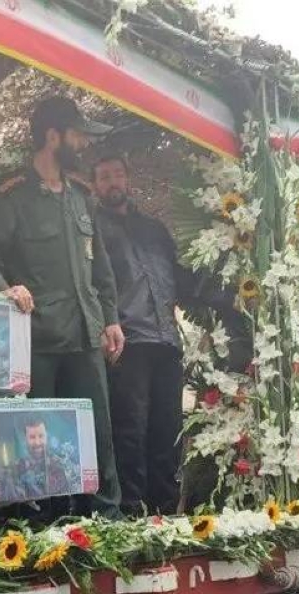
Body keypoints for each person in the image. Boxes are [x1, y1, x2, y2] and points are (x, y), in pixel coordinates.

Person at [0, 96, 123, 519]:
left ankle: (106, 521)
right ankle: (45, 526)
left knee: (97, 435)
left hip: (86, 334)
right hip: (38, 338)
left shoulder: (82, 197)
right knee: (39, 439)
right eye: (78, 135)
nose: (84, 144)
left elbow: (100, 267)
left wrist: (110, 318)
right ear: (53, 137)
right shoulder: (13, 198)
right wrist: (5, 288)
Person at [91, 154, 189, 515]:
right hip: (126, 341)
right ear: (95, 185)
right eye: (104, 176)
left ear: (128, 179)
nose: (112, 182)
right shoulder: (92, 228)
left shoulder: (154, 229)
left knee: (168, 427)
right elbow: (93, 283)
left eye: (118, 174)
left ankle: (166, 510)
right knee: (130, 428)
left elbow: (180, 278)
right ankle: (132, 510)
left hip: (167, 340)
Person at [0, 417, 80, 502]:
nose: (37, 442)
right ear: (25, 439)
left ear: (46, 436)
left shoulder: (62, 464)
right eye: (32, 437)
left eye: (41, 436)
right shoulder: (14, 470)